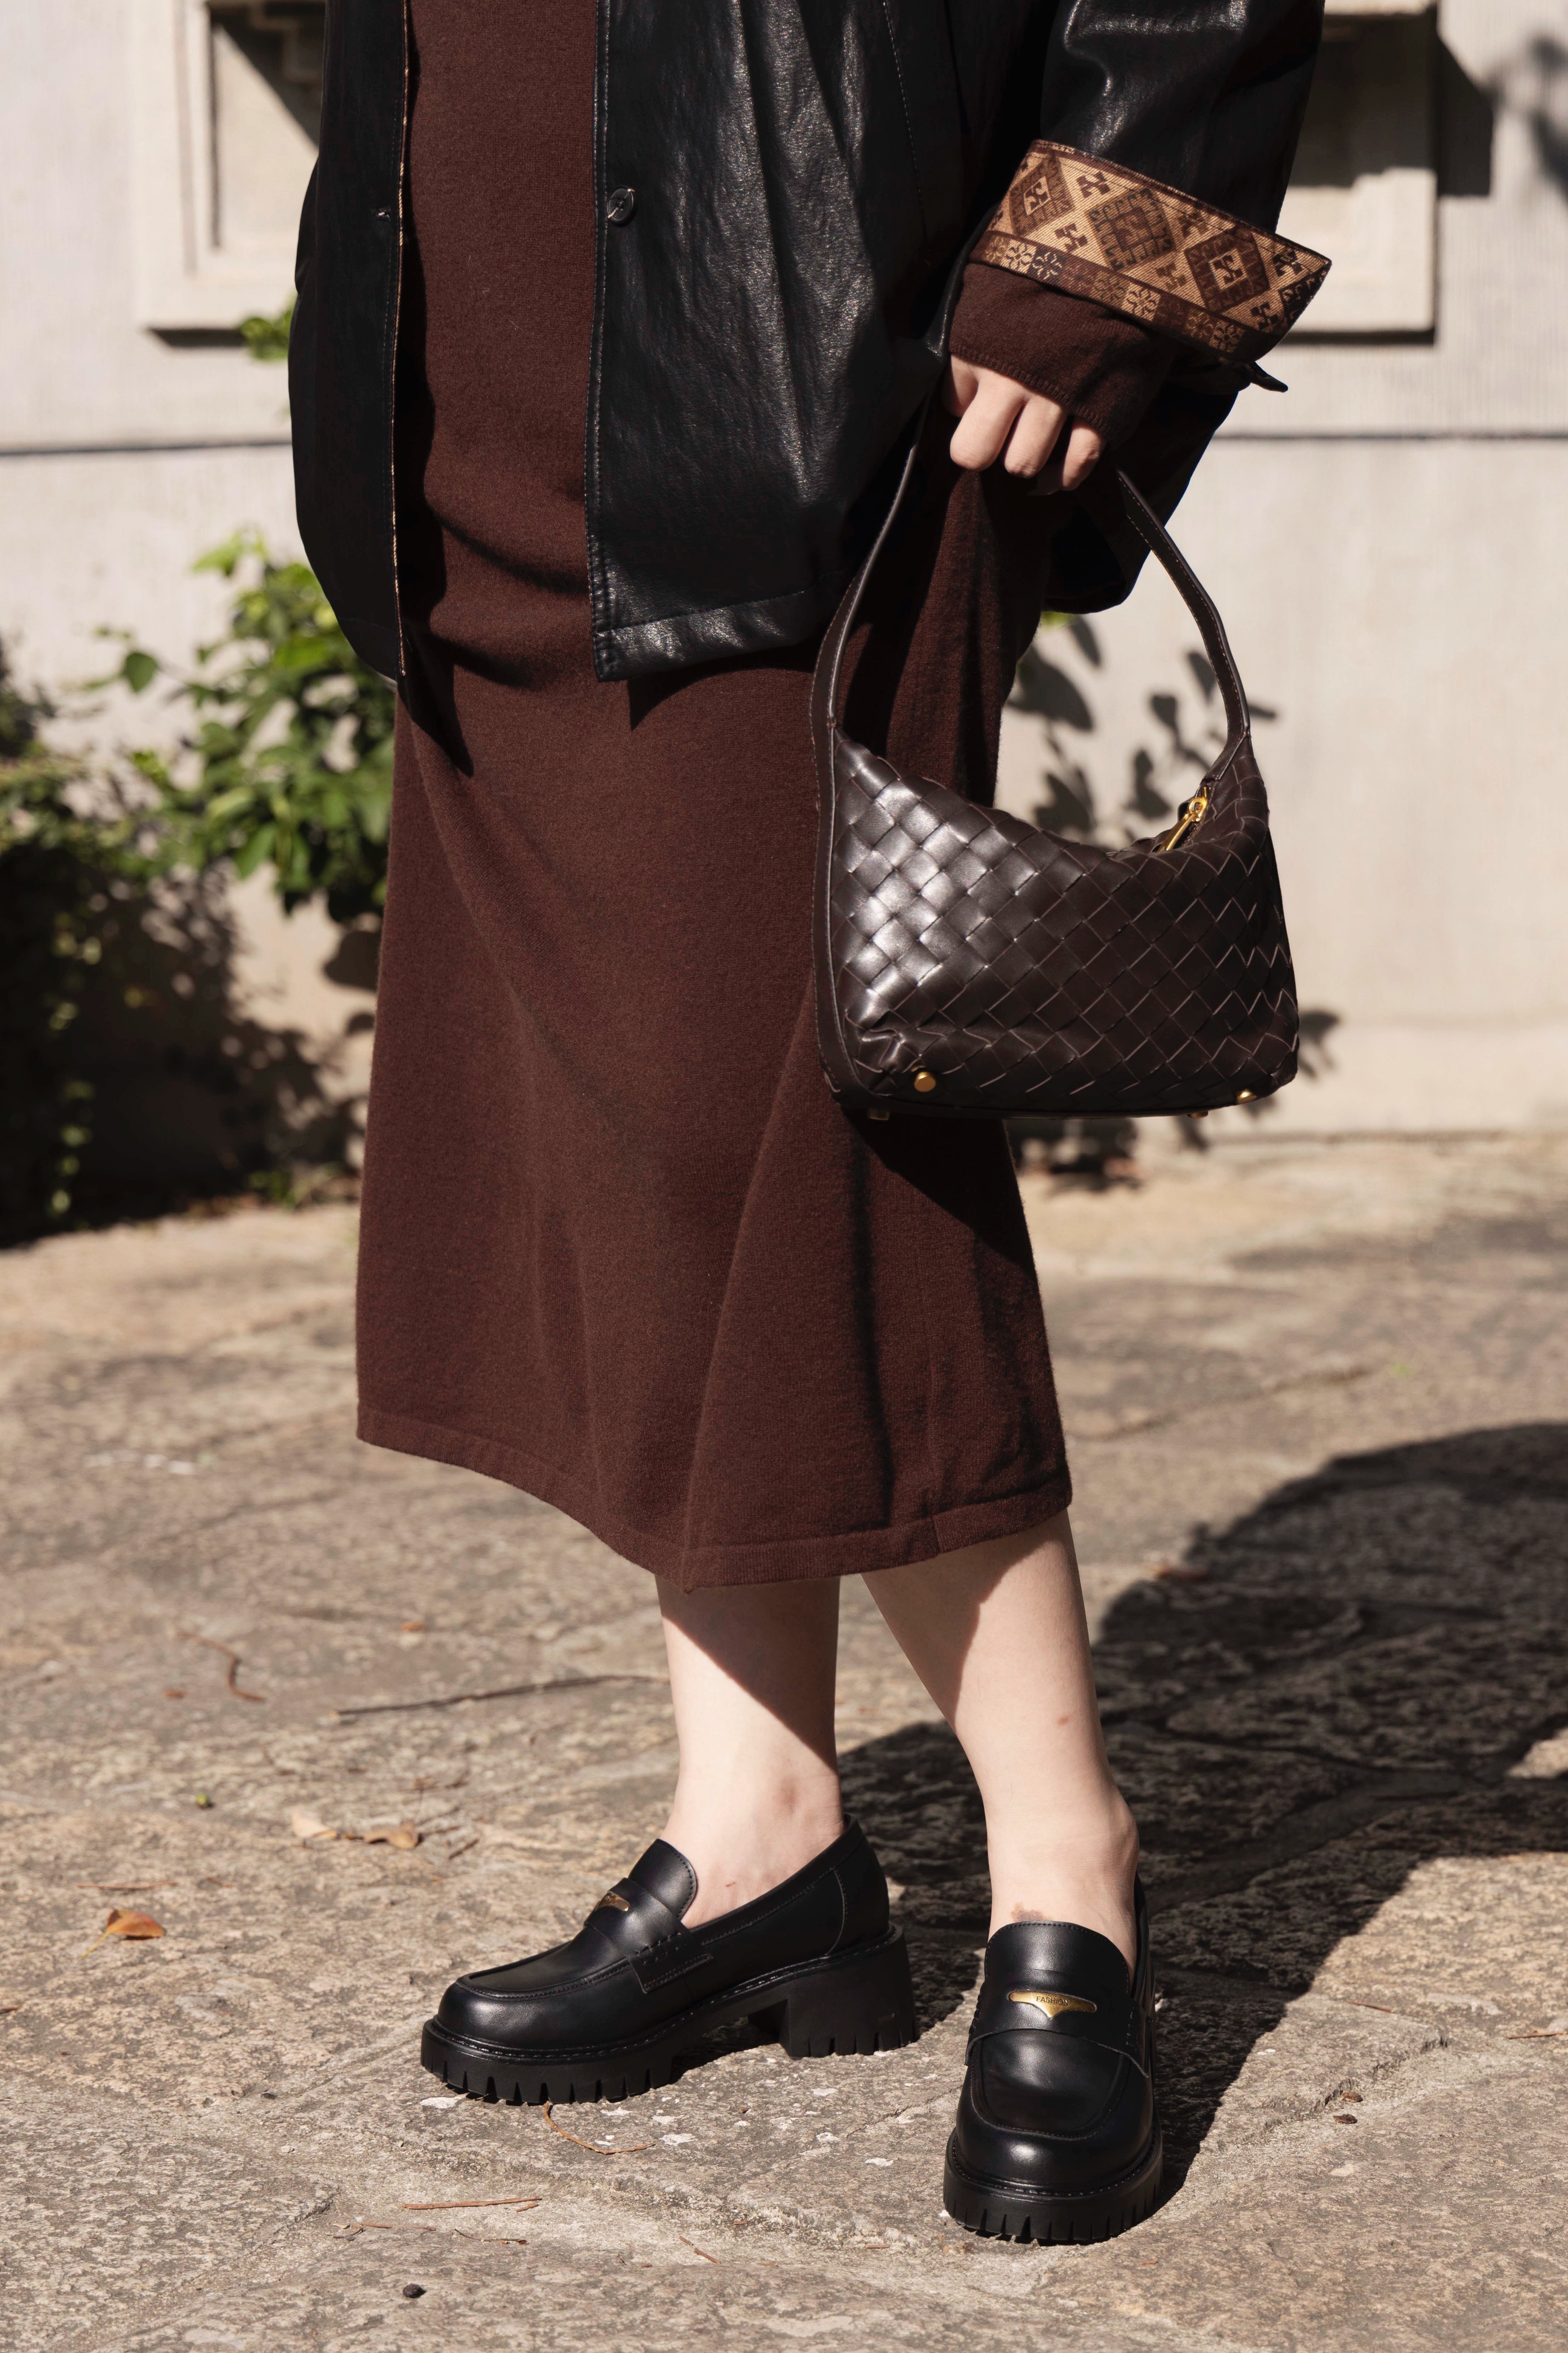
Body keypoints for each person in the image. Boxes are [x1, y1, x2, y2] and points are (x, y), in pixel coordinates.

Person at [291, 0, 1325, 2244]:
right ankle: (760, 1824)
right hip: (461, 347)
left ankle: (1068, 1863)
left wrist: (1105, 255)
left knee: (809, 1137)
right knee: (637, 1138)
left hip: (818, 349)